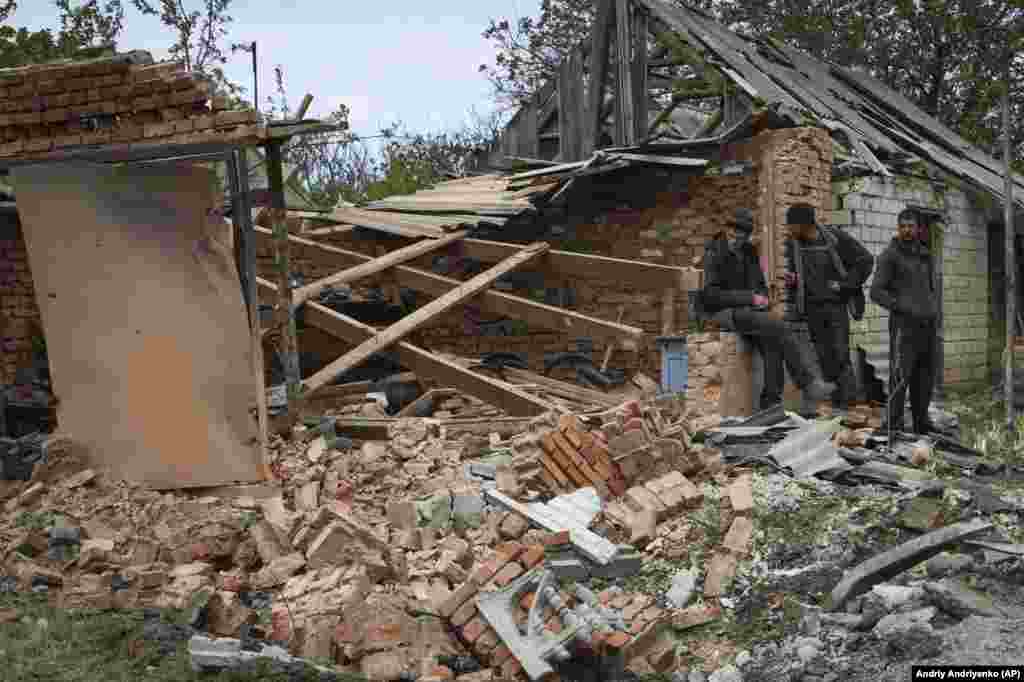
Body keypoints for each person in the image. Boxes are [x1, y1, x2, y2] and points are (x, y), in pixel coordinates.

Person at [702, 208, 835, 412]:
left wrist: (762, 298)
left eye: (742, 235)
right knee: (778, 325)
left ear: (747, 235)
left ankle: (770, 403)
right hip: (721, 312)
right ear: (727, 229)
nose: (736, 239)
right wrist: (749, 298)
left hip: (748, 311)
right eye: (733, 233)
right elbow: (710, 296)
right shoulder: (713, 252)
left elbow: (759, 284)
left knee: (773, 340)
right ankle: (807, 384)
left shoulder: (749, 251)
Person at [784, 203, 874, 413]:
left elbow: (866, 260)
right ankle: (836, 406)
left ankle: (851, 405)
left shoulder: (835, 238)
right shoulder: (794, 244)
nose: (789, 229)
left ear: (803, 224)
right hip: (812, 308)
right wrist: (793, 280)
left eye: (791, 225)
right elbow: (792, 272)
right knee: (824, 357)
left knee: (840, 354)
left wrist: (844, 285)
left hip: (836, 307)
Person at [870, 208, 939, 434]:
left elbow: (929, 288)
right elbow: (876, 292)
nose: (907, 230)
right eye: (903, 226)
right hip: (904, 327)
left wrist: (930, 311)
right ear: (898, 228)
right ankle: (894, 424)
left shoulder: (925, 254)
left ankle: (921, 422)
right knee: (900, 375)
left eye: (911, 226)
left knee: (925, 377)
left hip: (927, 327)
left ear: (918, 228)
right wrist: (903, 307)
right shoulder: (890, 256)